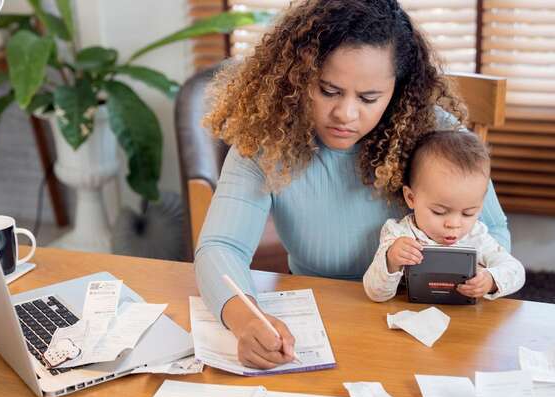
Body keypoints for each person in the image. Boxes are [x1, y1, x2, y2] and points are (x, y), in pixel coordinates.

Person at [196, 0, 512, 369]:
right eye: (329, 90)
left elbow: (495, 230)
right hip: (321, 321)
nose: (345, 115)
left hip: (425, 322)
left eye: (368, 98)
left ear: (397, 89)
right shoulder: (268, 138)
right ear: (299, 76)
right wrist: (246, 319)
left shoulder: (435, 134)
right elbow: (220, 246)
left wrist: (477, 280)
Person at [363, 130, 525, 302]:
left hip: (464, 318)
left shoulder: (476, 236)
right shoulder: (398, 234)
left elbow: (516, 271)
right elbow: (375, 293)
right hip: (412, 314)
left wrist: (491, 280)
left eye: (468, 213)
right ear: (411, 198)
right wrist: (391, 261)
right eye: (439, 212)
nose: (454, 224)